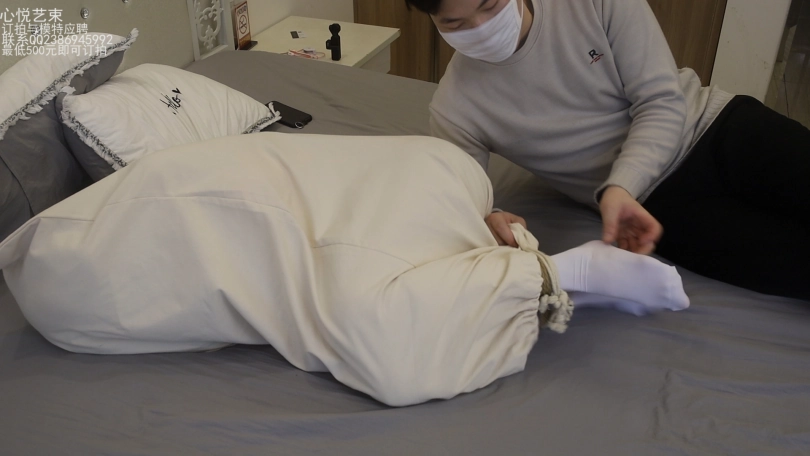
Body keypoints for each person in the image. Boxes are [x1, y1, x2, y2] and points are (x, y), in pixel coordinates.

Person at [404, 0, 810, 301]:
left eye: (490, 5)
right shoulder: (455, 109)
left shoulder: (592, 3)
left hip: (717, 124)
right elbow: (465, 202)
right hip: (658, 203)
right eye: (455, 23)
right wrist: (491, 217)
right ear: (432, 20)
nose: (481, 27)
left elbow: (660, 100)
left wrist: (621, 185)